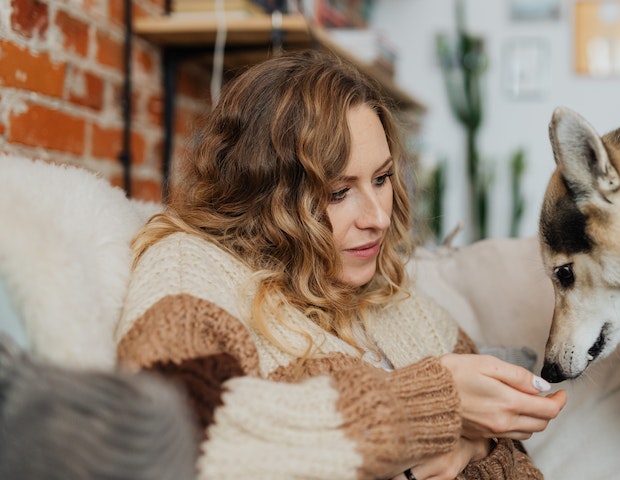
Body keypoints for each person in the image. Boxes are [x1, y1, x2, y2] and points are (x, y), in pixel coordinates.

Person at [115, 49, 567, 480]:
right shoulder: (190, 266)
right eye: (338, 191)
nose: (378, 217)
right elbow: (171, 432)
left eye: (381, 178)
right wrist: (433, 404)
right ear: (263, 192)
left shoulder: (394, 295)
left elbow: (507, 445)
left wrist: (471, 446)